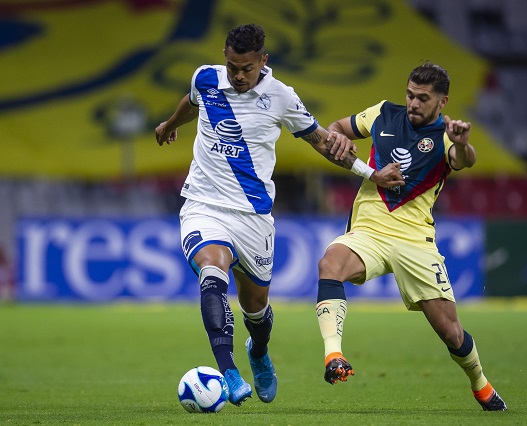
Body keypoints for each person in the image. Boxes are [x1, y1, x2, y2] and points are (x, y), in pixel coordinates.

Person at [155, 24, 403, 407]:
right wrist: (170, 124)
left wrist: (371, 175)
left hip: (253, 218)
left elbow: (323, 142)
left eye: (247, 68)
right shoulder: (206, 78)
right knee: (212, 272)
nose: (239, 76)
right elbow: (191, 102)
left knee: (256, 310)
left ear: (263, 61)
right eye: (233, 67)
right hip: (204, 205)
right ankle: (229, 372)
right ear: (224, 57)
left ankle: (258, 351)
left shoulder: (281, 97)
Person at [315, 61, 508, 411]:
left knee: (451, 332)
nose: (413, 103)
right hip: (369, 230)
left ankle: (481, 384)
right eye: (410, 95)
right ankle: (334, 356)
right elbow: (338, 128)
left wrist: (463, 143)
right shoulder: (383, 114)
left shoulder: (447, 136)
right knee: (330, 264)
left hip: (414, 240)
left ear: (442, 102)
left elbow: (464, 159)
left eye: (422, 98)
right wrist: (336, 135)